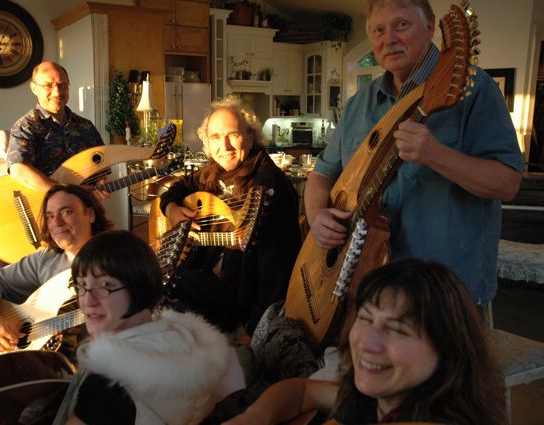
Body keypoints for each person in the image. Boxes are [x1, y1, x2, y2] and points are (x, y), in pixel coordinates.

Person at [305, 0, 524, 305]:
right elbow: (321, 175)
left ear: (430, 28)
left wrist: (436, 155)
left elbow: (508, 183)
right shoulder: (359, 104)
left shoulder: (476, 89)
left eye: (402, 25)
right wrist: (317, 217)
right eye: (379, 30)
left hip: (445, 293)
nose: (389, 39)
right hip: (366, 284)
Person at [224, 259, 507, 425]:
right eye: (366, 319)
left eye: (398, 330)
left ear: (449, 349)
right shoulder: (384, 397)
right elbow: (302, 390)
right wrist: (255, 415)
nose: (368, 343)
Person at [63, 230, 245, 425]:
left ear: (138, 284)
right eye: (81, 286)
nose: (87, 300)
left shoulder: (108, 382)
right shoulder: (186, 339)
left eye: (105, 285)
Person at [159, 95, 302, 336]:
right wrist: (171, 209)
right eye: (215, 137)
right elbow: (177, 190)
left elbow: (277, 271)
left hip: (238, 300)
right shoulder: (213, 172)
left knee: (160, 285)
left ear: (251, 135)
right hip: (206, 280)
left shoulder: (269, 186)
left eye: (233, 135)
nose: (224, 147)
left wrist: (252, 328)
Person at [0, 184, 112, 357]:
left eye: (66, 212)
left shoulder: (116, 261)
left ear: (89, 214)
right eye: (50, 216)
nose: (57, 223)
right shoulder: (45, 259)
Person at [6, 60, 108, 199]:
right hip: (45, 212)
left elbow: (100, 161)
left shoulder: (86, 126)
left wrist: (100, 182)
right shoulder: (26, 127)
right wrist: (64, 192)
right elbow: (19, 170)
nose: (57, 92)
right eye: (48, 85)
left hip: (82, 210)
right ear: (34, 88)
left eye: (62, 85)